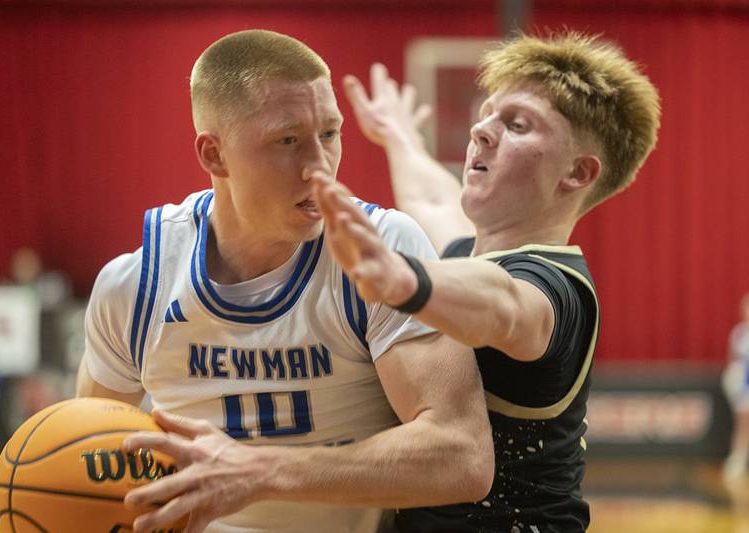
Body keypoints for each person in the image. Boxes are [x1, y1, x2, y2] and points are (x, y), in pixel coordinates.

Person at [74, 30, 494, 533]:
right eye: (287, 140)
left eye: (330, 134)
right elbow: (84, 462)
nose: (319, 168)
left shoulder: (380, 251)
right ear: (214, 155)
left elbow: (463, 455)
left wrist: (262, 473)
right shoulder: (136, 286)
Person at [314, 32, 661, 532]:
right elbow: (433, 199)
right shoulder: (466, 253)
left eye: (516, 124)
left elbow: (503, 306)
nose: (481, 129)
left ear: (577, 173)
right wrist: (400, 137)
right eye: (488, 112)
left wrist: (402, 276)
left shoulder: (556, 288)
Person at [722, 293, 749, 483]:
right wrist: (733, 381)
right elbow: (732, 362)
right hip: (744, 387)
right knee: (743, 423)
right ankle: (738, 459)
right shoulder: (738, 333)